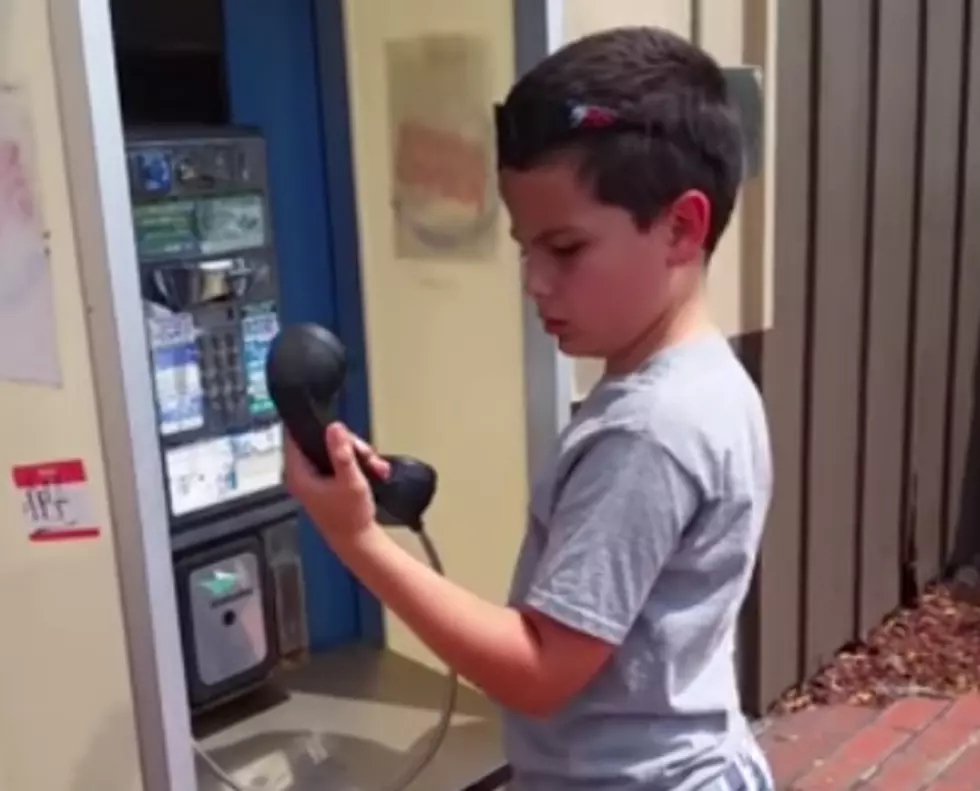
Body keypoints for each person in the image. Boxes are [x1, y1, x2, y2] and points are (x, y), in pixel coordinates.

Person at [283, 25, 774, 791]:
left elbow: (540, 670)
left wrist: (357, 542)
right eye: (524, 248)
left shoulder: (649, 432)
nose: (535, 281)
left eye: (566, 248)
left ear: (682, 227)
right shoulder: (710, 381)